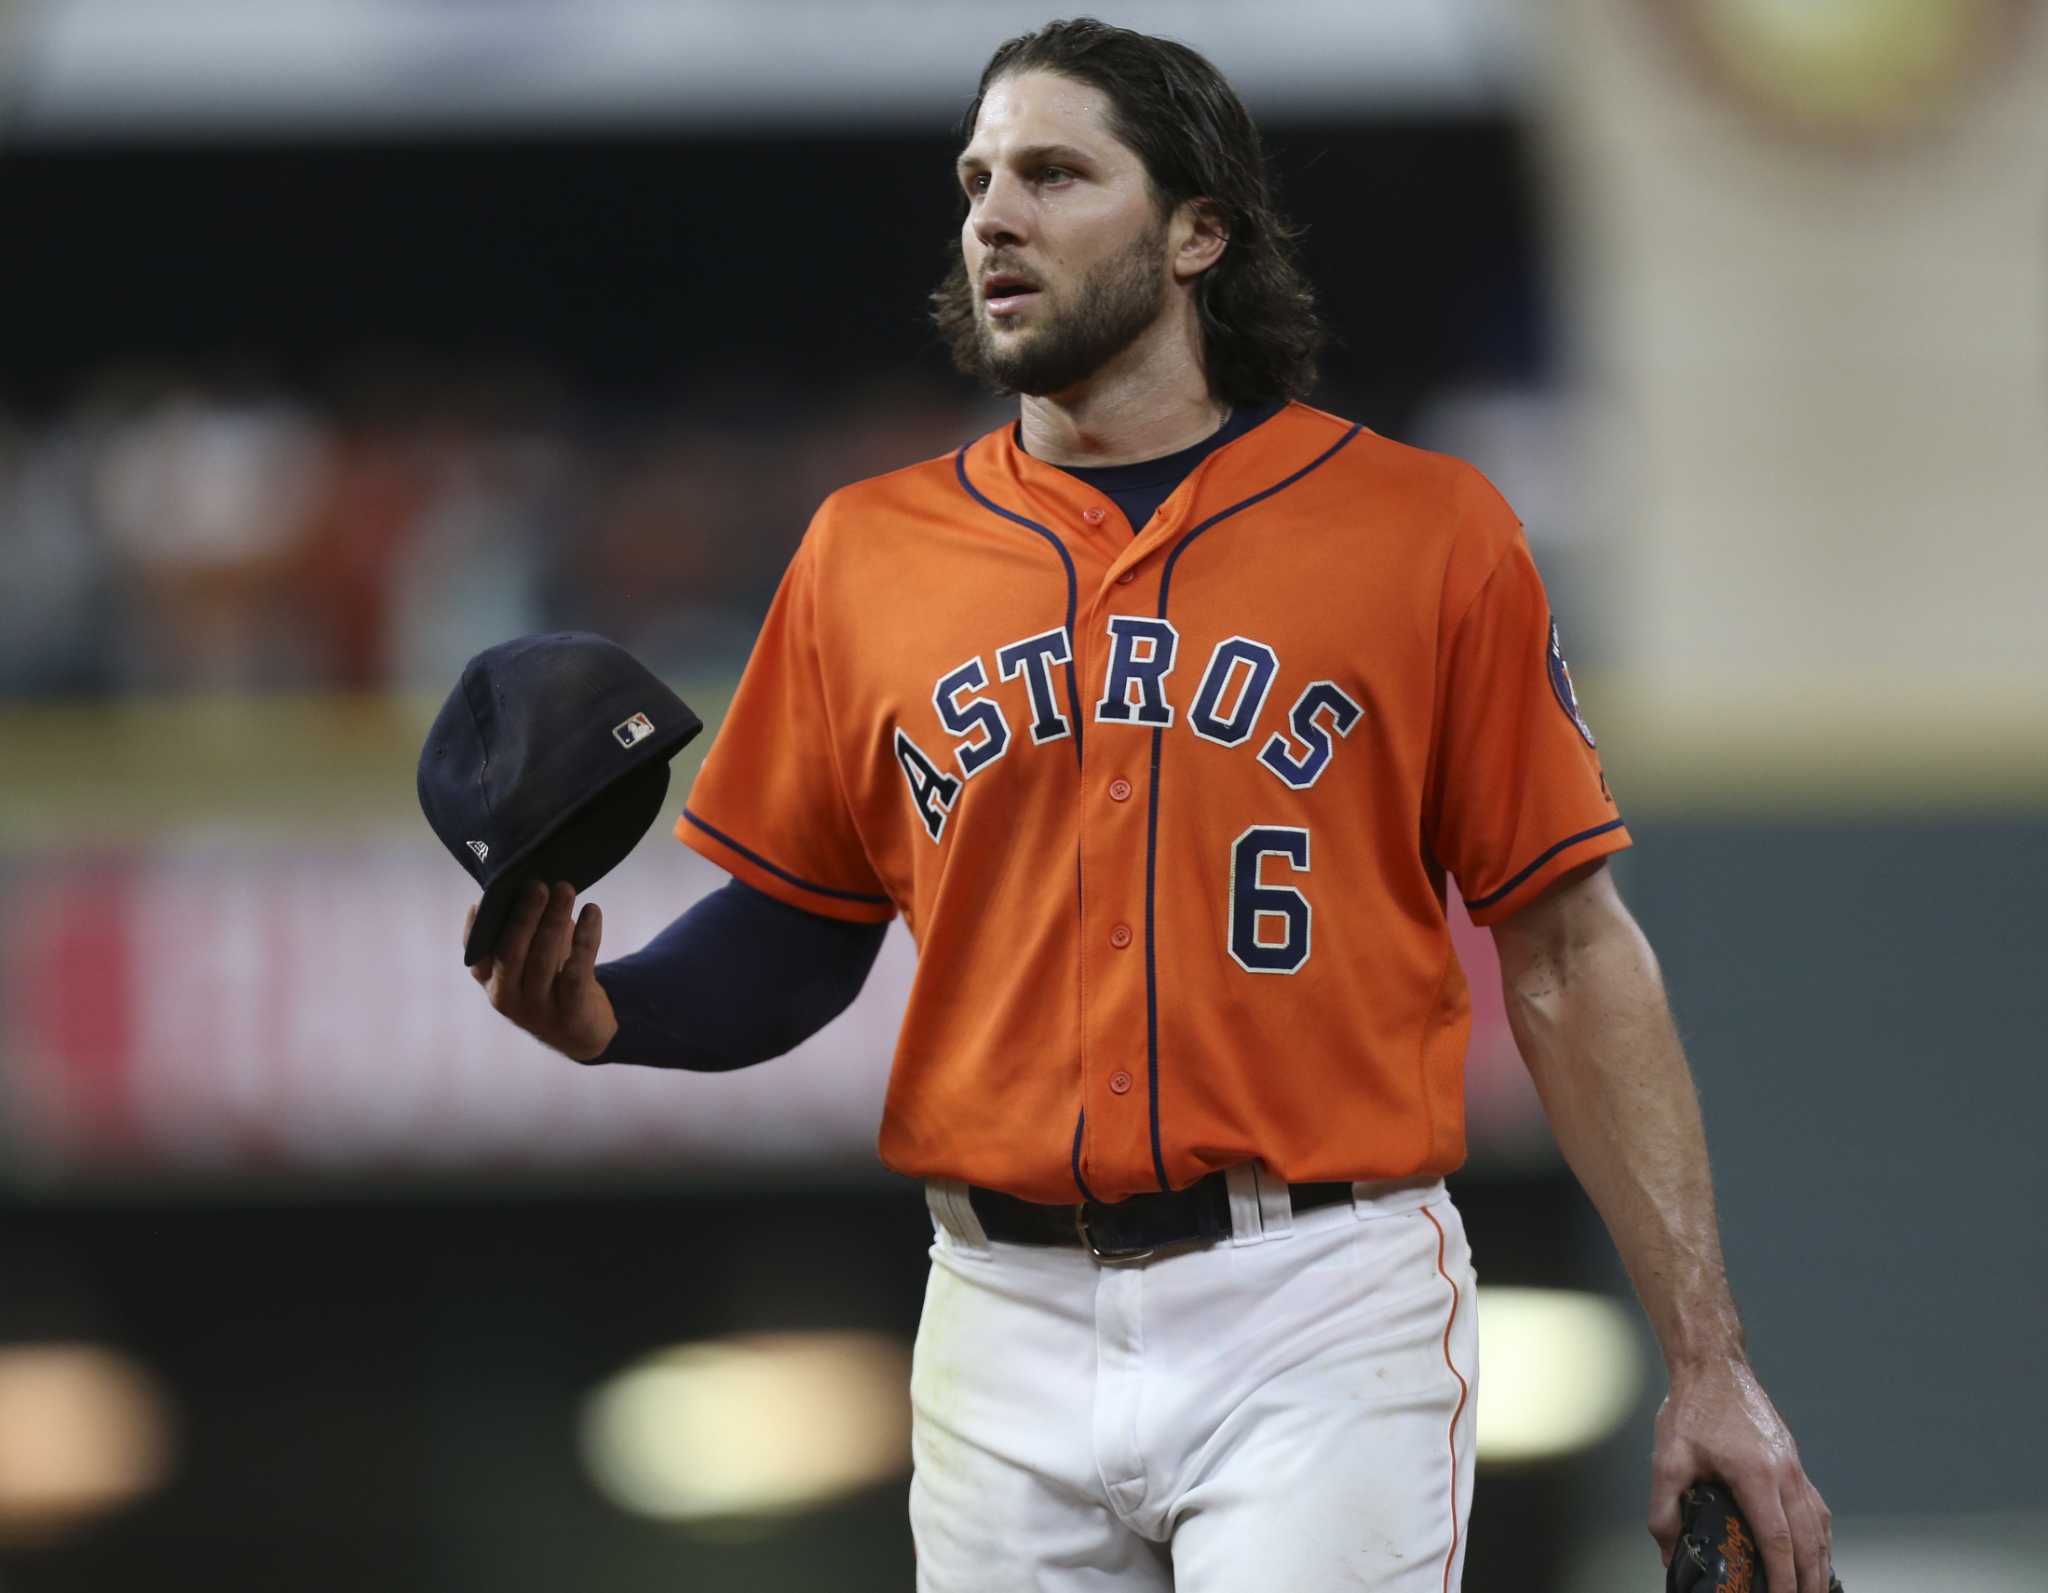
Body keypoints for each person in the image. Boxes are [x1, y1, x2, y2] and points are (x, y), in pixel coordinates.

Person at [465, 18, 1833, 1591]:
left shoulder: (1425, 530)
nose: (994, 214)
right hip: (997, 1310)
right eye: (977, 179)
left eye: (1055, 172)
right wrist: (610, 1012)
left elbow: (1572, 953)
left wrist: (1709, 1361)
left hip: (1320, 1293)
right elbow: (798, 928)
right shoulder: (868, 552)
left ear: (1199, 232)